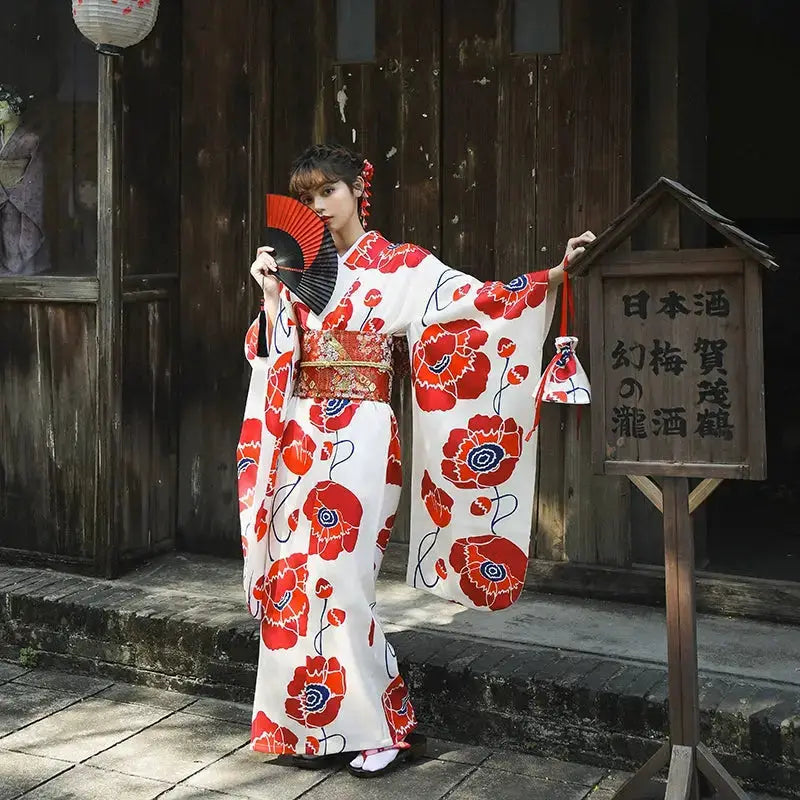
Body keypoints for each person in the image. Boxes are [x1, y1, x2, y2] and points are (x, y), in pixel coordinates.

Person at [239, 143, 594, 777]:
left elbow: (478, 303)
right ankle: (310, 727)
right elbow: (270, 356)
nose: (318, 206)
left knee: (344, 583)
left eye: (329, 191)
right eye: (307, 196)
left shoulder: (402, 265)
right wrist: (271, 296)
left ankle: (388, 729)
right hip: (299, 434)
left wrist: (556, 275)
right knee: (293, 579)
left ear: (358, 191)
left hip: (364, 432)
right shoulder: (296, 267)